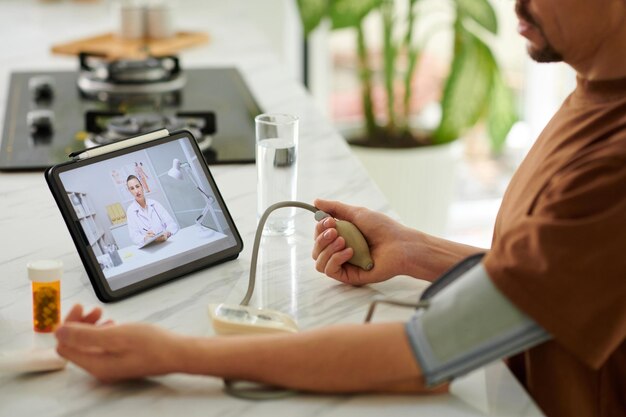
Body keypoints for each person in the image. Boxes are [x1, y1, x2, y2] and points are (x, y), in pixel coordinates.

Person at [55, 1, 625, 416]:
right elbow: (556, 276)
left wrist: (173, 354)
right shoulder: (596, 86)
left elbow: (425, 354)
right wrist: (413, 249)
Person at [125, 175, 179, 246]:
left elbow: (172, 224)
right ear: (129, 191)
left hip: (166, 243)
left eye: (137, 186)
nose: (136, 191)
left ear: (142, 186)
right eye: (132, 188)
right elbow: (134, 236)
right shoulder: (131, 211)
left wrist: (167, 233)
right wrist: (145, 238)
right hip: (150, 247)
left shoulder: (155, 204)